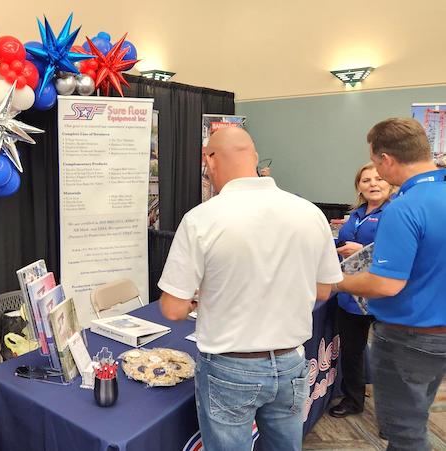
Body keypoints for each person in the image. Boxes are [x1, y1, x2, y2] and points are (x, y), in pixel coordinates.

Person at [158, 127, 342, 451]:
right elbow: (324, 290)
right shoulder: (310, 213)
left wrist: (203, 298)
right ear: (255, 159)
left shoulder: (202, 219)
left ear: (209, 161)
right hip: (291, 362)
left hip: (229, 367)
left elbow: (173, 309)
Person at [336, 118, 446, 451]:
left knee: (405, 433)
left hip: (408, 338)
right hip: (436, 334)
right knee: (415, 417)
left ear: (385, 159)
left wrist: (335, 283)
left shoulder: (405, 207)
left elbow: (385, 285)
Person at [328, 163, 393, 418]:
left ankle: (392, 411)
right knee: (352, 351)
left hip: (382, 293)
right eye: (366, 180)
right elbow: (344, 240)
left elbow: (398, 252)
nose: (373, 184)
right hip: (349, 296)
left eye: (378, 179)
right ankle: (353, 400)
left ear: (389, 183)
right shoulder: (355, 213)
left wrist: (361, 250)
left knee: (388, 355)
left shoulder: (396, 213)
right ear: (359, 186)